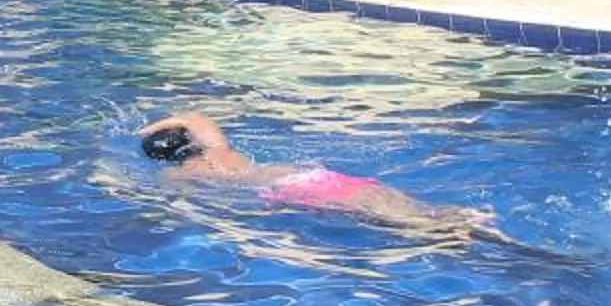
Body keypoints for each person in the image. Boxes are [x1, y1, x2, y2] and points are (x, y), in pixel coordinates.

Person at [138, 113, 493, 236]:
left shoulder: (182, 175)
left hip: (295, 193)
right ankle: (461, 220)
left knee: (396, 222)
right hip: (317, 177)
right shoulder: (222, 151)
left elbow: (185, 207)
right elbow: (194, 116)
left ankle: (446, 235)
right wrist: (153, 127)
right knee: (403, 206)